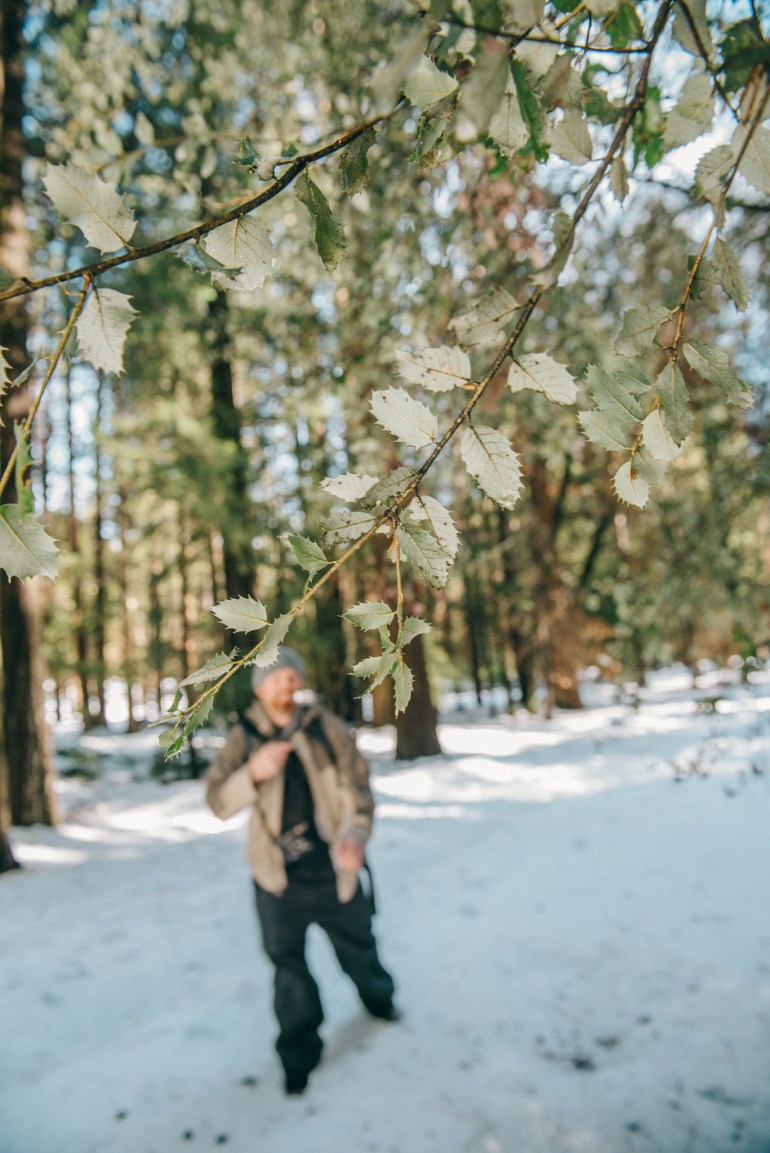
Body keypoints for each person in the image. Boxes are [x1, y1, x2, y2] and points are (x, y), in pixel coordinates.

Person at [205, 646, 397, 1096]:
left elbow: (359, 794)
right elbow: (216, 801)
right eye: (276, 679)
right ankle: (298, 1055)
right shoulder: (244, 736)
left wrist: (354, 836)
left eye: (291, 677)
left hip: (334, 871)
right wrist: (252, 772)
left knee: (360, 948)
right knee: (288, 972)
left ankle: (380, 1001)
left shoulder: (326, 729)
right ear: (260, 687)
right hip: (276, 880)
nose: (286, 686)